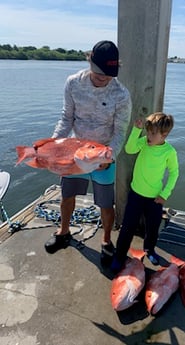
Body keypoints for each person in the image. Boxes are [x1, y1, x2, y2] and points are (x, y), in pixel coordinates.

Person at [44, 40, 132, 262]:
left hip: (103, 156)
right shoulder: (73, 83)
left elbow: (120, 131)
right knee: (67, 195)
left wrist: (110, 156)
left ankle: (105, 240)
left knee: (105, 203)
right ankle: (64, 232)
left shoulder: (122, 95)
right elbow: (66, 118)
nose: (103, 77)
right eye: (100, 72)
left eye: (109, 74)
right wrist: (54, 146)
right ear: (89, 61)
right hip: (75, 153)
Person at [111, 112, 179, 272]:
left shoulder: (169, 152)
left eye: (153, 133)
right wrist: (136, 130)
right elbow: (129, 149)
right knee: (127, 227)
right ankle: (119, 256)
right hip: (135, 195)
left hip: (155, 199)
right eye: (148, 131)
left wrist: (165, 194)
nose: (149, 135)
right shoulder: (143, 142)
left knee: (152, 228)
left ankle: (149, 250)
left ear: (164, 134)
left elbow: (174, 173)